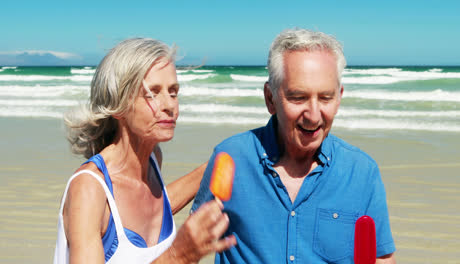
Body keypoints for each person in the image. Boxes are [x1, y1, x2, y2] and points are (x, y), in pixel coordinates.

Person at [191, 28, 396, 263]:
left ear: (339, 98)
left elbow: (382, 258)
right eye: (298, 97)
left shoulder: (362, 172)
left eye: (326, 98)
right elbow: (190, 248)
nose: (313, 115)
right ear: (270, 98)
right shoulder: (231, 158)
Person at [54, 38, 236, 264]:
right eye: (152, 93)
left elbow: (153, 208)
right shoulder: (89, 189)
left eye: (173, 91)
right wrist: (179, 255)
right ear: (118, 104)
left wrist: (220, 164)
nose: (169, 105)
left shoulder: (152, 158)